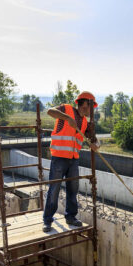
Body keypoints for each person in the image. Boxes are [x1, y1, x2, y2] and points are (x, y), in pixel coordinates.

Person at [42, 91, 100, 232]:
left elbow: (94, 140)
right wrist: (67, 118)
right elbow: (50, 111)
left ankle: (71, 217)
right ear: (85, 104)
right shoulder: (66, 109)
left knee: (73, 189)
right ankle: (47, 220)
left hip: (73, 159)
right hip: (59, 157)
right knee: (54, 189)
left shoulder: (85, 122)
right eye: (91, 106)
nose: (92, 111)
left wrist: (96, 145)